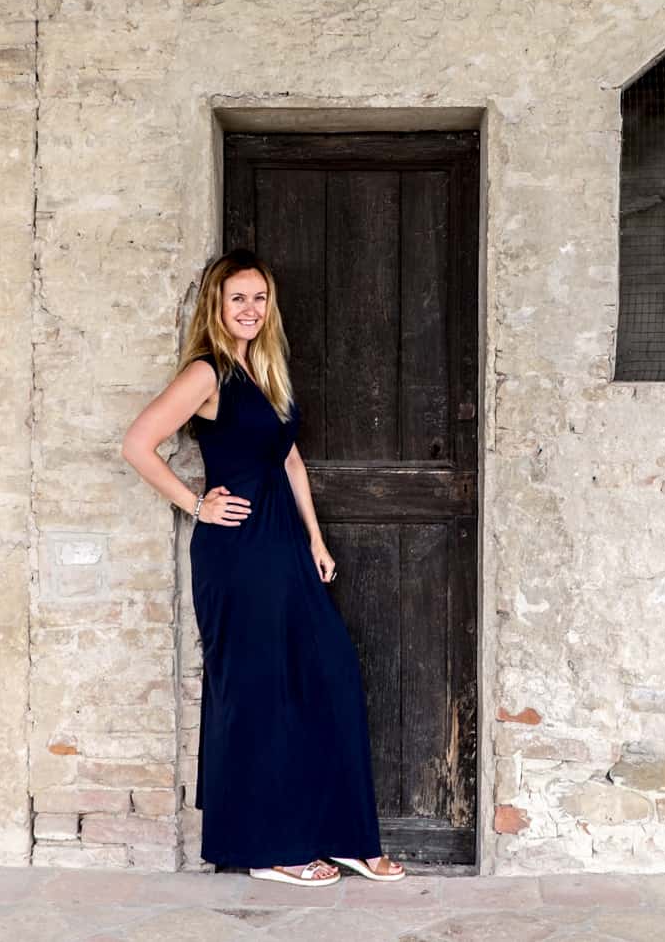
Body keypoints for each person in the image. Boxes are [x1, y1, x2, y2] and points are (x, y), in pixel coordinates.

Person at [121, 248, 406, 886]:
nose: (250, 310)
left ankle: (345, 838)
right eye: (237, 300)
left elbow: (290, 460)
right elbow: (137, 443)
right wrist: (196, 503)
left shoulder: (267, 368)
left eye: (258, 298)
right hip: (238, 550)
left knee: (330, 672)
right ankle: (269, 848)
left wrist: (315, 538)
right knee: (258, 692)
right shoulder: (207, 372)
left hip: (284, 544)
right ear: (216, 308)